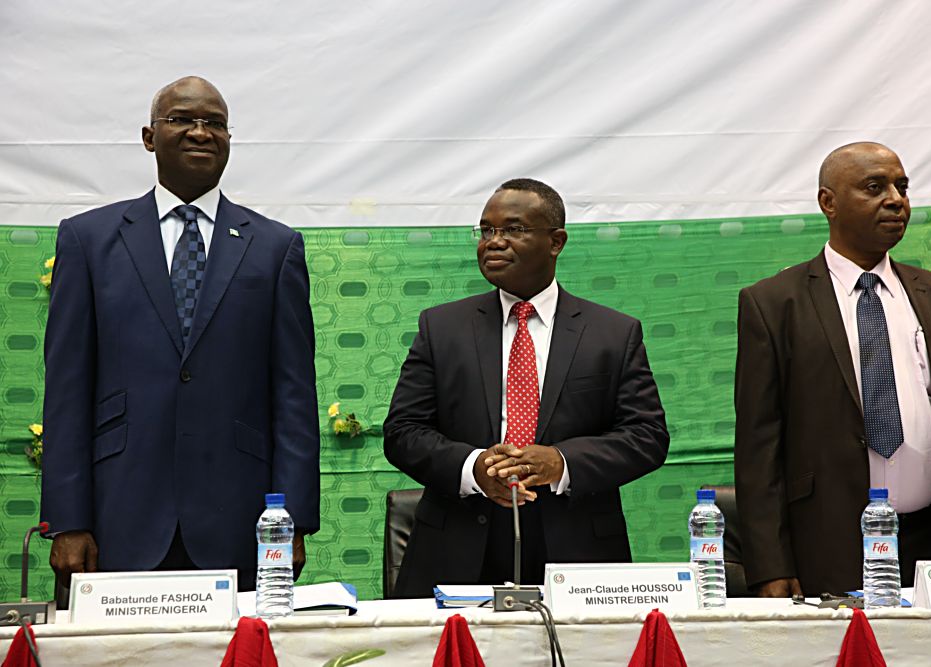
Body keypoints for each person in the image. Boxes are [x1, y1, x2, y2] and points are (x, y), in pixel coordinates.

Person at [41, 76, 320, 592]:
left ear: (230, 140)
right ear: (149, 137)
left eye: (215, 123)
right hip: (116, 517)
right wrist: (67, 519)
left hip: (239, 520)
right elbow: (66, 391)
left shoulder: (276, 249)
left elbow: (294, 396)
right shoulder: (87, 239)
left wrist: (294, 522)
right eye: (183, 120)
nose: (200, 132)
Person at [734, 142, 931, 597]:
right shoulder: (774, 303)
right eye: (875, 187)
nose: (896, 199)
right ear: (828, 203)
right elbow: (759, 447)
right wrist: (771, 566)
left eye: (902, 187)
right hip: (832, 541)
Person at [383, 178, 669, 598]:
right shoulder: (441, 328)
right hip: (458, 546)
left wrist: (560, 461)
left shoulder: (612, 333)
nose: (494, 242)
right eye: (486, 231)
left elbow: (647, 437)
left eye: (513, 229)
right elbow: (403, 432)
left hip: (575, 549)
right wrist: (475, 467)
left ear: (556, 242)